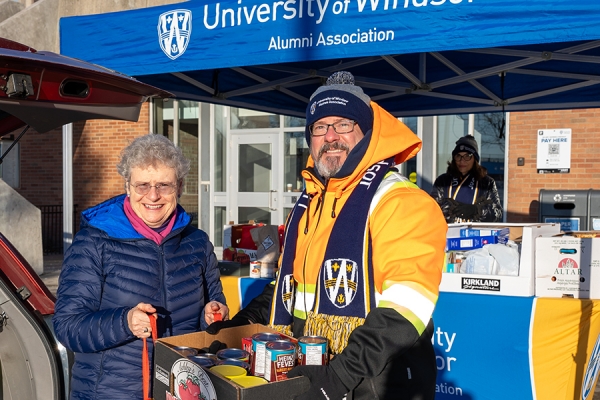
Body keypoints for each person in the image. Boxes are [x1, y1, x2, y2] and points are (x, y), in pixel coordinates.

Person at [208, 71, 447, 400]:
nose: (331, 136)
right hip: (313, 371)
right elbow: (288, 291)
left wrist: (338, 376)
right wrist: (238, 326)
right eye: (320, 127)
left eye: (344, 124)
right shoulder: (309, 205)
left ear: (365, 132)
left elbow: (405, 312)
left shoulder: (400, 200)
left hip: (376, 384)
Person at [52, 134, 228, 400]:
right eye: (142, 185)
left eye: (164, 185)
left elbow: (213, 313)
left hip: (179, 389)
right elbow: (67, 328)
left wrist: (212, 315)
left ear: (179, 186)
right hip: (109, 393)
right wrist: (125, 322)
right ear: (128, 186)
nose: (153, 196)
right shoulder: (94, 242)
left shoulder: (197, 242)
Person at [430, 135, 503, 223]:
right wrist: (447, 209)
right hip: (448, 232)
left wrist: (476, 210)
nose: (462, 161)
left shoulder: (486, 182)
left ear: (474, 159)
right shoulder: (443, 181)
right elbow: (432, 209)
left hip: (476, 234)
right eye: (458, 156)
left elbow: (497, 214)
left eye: (467, 156)